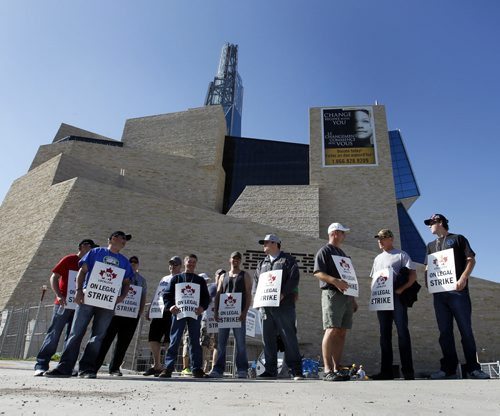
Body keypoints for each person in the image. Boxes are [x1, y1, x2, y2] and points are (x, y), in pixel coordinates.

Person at [45, 231, 134, 378]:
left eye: (126, 240)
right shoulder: (95, 252)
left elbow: (126, 282)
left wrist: (122, 297)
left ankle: (87, 369)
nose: (125, 241)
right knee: (76, 333)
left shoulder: (124, 261)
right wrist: (79, 290)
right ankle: (65, 368)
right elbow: (82, 271)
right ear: (113, 238)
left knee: (98, 336)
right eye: (123, 238)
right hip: (88, 298)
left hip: (107, 303)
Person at [424, 214, 489, 380]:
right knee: (444, 332)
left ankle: (473, 368)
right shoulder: (430, 245)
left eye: (431, 223)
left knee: (465, 330)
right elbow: (427, 267)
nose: (429, 226)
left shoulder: (458, 239)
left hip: (457, 292)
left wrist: (463, 278)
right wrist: (428, 282)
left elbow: (471, 259)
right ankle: (448, 368)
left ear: (440, 222)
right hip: (440, 295)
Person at [34, 239, 98, 376]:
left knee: (73, 336)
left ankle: (66, 366)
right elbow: (54, 277)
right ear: (81, 246)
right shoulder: (69, 259)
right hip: (63, 304)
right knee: (54, 334)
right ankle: (41, 364)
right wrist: (58, 295)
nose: (92, 249)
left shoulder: (91, 264)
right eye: (90, 246)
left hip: (79, 306)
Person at [254, 234, 303, 380]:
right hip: (265, 307)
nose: (264, 245)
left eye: (267, 242)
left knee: (289, 337)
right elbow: (256, 283)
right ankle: (270, 370)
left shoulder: (288, 260)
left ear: (275, 244)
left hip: (284, 306)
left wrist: (283, 293)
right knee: (267, 339)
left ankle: (296, 370)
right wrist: (256, 300)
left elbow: (294, 278)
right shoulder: (261, 264)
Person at [313, 223, 358, 381]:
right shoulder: (324, 251)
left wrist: (352, 298)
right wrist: (335, 281)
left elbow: (349, 278)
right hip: (332, 294)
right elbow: (318, 272)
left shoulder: (343, 254)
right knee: (331, 329)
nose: (344, 236)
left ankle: (336, 367)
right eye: (343, 233)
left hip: (346, 297)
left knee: (342, 331)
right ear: (335, 233)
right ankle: (327, 369)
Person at [370, 229, 416, 380]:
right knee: (384, 335)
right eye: (379, 238)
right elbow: (374, 279)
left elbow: (412, 276)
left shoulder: (401, 255)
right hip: (382, 298)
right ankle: (386, 371)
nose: (380, 241)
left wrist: (401, 289)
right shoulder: (377, 259)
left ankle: (408, 371)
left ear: (391, 239)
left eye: (383, 238)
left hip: (397, 297)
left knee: (402, 332)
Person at [158, 254, 210, 378]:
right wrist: (170, 306)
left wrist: (202, 307)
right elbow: (167, 295)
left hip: (194, 314)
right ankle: (168, 368)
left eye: (193, 262)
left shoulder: (200, 280)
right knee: (175, 340)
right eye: (189, 262)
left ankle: (197, 369)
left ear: (195, 264)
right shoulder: (176, 279)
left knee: (194, 341)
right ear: (185, 263)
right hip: (179, 313)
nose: (191, 264)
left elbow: (206, 298)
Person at [95, 255, 147, 376]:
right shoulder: (120, 275)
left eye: (135, 262)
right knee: (106, 340)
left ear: (138, 265)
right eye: (131, 262)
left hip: (131, 315)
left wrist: (140, 311)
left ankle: (114, 368)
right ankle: (95, 366)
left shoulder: (141, 280)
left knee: (123, 343)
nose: (133, 264)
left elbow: (143, 296)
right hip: (115, 313)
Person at [209, 251, 252, 379]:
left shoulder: (245, 275)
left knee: (240, 343)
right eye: (234, 258)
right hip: (224, 314)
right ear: (230, 260)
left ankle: (242, 370)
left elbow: (249, 294)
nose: (236, 260)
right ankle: (218, 369)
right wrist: (216, 312)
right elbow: (218, 295)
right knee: (221, 343)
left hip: (238, 315)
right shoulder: (223, 276)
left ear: (240, 261)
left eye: (238, 258)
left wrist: (245, 312)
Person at [142, 256, 182, 377]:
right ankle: (157, 365)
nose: (172, 266)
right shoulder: (164, 278)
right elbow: (158, 293)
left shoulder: (181, 278)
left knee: (168, 339)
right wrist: (150, 309)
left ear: (180, 266)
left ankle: (167, 365)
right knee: (153, 337)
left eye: (175, 264)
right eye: (170, 264)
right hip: (159, 310)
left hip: (172, 310)